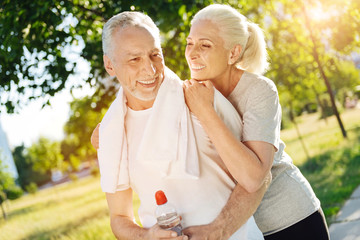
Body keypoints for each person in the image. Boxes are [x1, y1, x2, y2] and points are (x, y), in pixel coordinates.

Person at [95, 11, 267, 240]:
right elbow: (119, 217)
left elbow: (257, 179)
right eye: (134, 59)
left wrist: (218, 231)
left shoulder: (204, 100)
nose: (150, 70)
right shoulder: (111, 133)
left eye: (155, 55)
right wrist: (146, 236)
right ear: (110, 65)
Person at [182, 4, 330, 240]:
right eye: (190, 43)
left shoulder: (259, 90)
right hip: (245, 231)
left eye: (205, 45)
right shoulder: (190, 92)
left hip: (290, 221)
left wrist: (205, 111)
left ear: (233, 53)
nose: (192, 53)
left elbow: (253, 177)